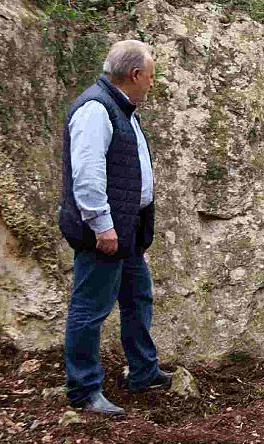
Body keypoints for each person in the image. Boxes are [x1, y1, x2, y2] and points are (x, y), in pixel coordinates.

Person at [58, 40, 171, 415]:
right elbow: (87, 177)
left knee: (138, 300)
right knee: (90, 309)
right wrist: (102, 226)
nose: (152, 84)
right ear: (135, 75)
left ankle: (143, 372)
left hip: (128, 230)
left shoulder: (122, 108)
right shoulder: (96, 109)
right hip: (105, 231)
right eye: (151, 77)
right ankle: (84, 391)